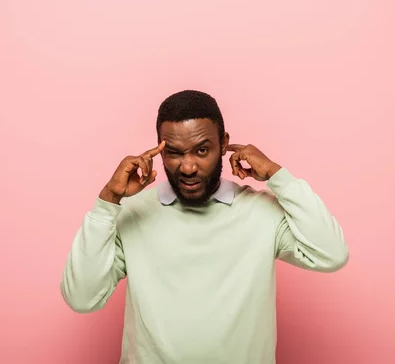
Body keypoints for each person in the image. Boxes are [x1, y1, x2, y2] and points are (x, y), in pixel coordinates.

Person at [60, 90, 349, 363]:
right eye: (174, 152)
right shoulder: (133, 213)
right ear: (159, 151)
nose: (187, 167)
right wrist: (108, 200)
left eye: (201, 150)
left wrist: (277, 175)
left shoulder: (261, 213)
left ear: (224, 144)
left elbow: (331, 254)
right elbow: (82, 298)